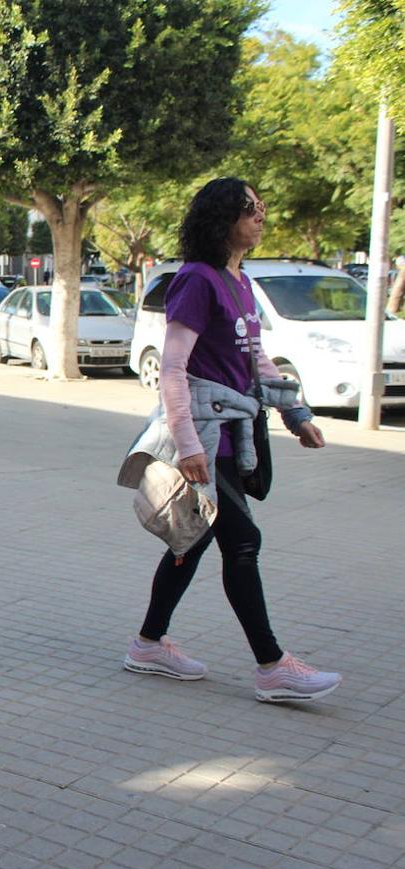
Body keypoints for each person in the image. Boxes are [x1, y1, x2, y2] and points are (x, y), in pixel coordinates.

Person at [123, 177, 341, 703]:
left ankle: (148, 645)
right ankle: (272, 666)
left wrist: (296, 412)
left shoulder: (238, 280)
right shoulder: (196, 280)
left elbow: (256, 360)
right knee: (243, 543)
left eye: (262, 206)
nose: (261, 216)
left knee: (193, 541)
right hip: (204, 434)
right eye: (251, 209)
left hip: (235, 429)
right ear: (223, 219)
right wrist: (189, 445)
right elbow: (173, 369)